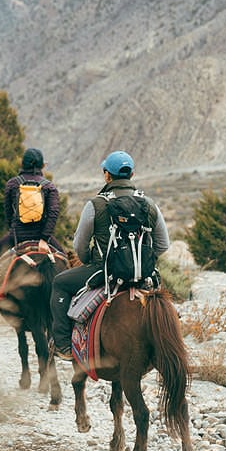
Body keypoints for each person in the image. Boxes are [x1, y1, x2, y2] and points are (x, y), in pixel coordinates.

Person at [49, 150, 170, 360]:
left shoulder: (96, 205)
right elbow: (163, 244)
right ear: (131, 175)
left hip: (102, 271)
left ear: (107, 175)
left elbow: (80, 245)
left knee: (59, 283)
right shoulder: (149, 205)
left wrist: (89, 262)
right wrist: (143, 263)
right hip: (143, 275)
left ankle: (64, 346)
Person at [0, 148, 63, 312]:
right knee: (64, 259)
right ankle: (69, 298)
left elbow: (8, 213)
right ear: (41, 165)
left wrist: (14, 231)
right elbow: (53, 213)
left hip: (17, 236)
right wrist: (44, 239)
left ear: (22, 164)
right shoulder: (49, 187)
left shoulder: (12, 183)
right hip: (42, 238)